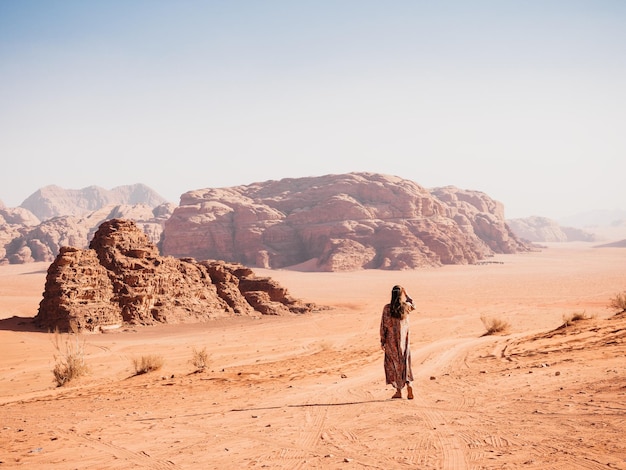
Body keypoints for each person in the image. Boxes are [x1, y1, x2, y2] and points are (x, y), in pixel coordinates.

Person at [380, 285, 415, 399]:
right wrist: (406, 293)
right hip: (404, 343)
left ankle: (399, 391)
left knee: (394, 365)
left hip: (391, 343)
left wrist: (382, 340)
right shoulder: (405, 307)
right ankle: (409, 384)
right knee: (405, 363)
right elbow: (412, 303)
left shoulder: (387, 308)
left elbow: (383, 325)